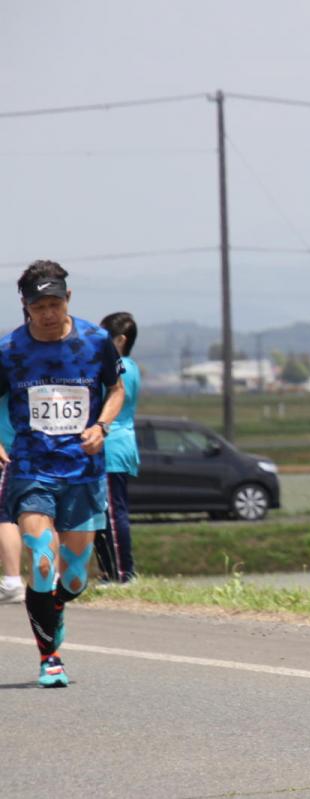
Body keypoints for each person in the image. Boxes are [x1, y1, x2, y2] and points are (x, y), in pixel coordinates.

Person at [0, 260, 124, 687]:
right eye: (39, 306)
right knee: (41, 556)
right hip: (32, 468)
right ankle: (49, 658)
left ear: (68, 299)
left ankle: (57, 605)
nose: (48, 313)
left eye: (55, 303)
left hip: (84, 470)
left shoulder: (96, 341)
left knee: (71, 579)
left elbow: (116, 389)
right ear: (25, 306)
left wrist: (102, 426)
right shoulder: (9, 350)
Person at [94, 312, 140, 585]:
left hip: (113, 445)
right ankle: (108, 572)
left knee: (113, 513)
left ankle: (124, 573)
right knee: (101, 513)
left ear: (120, 340)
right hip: (108, 446)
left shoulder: (122, 367)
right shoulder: (128, 365)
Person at [0, 393, 24, 603]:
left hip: (11, 449)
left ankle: (12, 581)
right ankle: (52, 579)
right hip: (38, 447)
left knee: (4, 516)